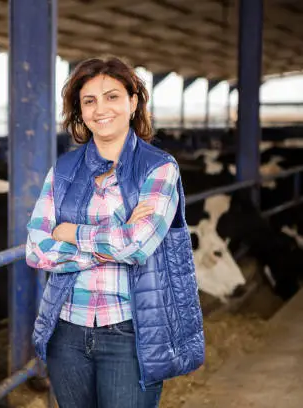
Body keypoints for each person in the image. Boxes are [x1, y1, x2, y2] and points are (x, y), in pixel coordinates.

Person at [26, 57, 205, 408]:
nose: (100, 109)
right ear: (79, 110)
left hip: (131, 332)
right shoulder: (63, 169)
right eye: (89, 100)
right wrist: (117, 236)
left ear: (133, 102)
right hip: (67, 329)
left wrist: (70, 231)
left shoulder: (159, 168)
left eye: (112, 97)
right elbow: (36, 249)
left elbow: (137, 246)